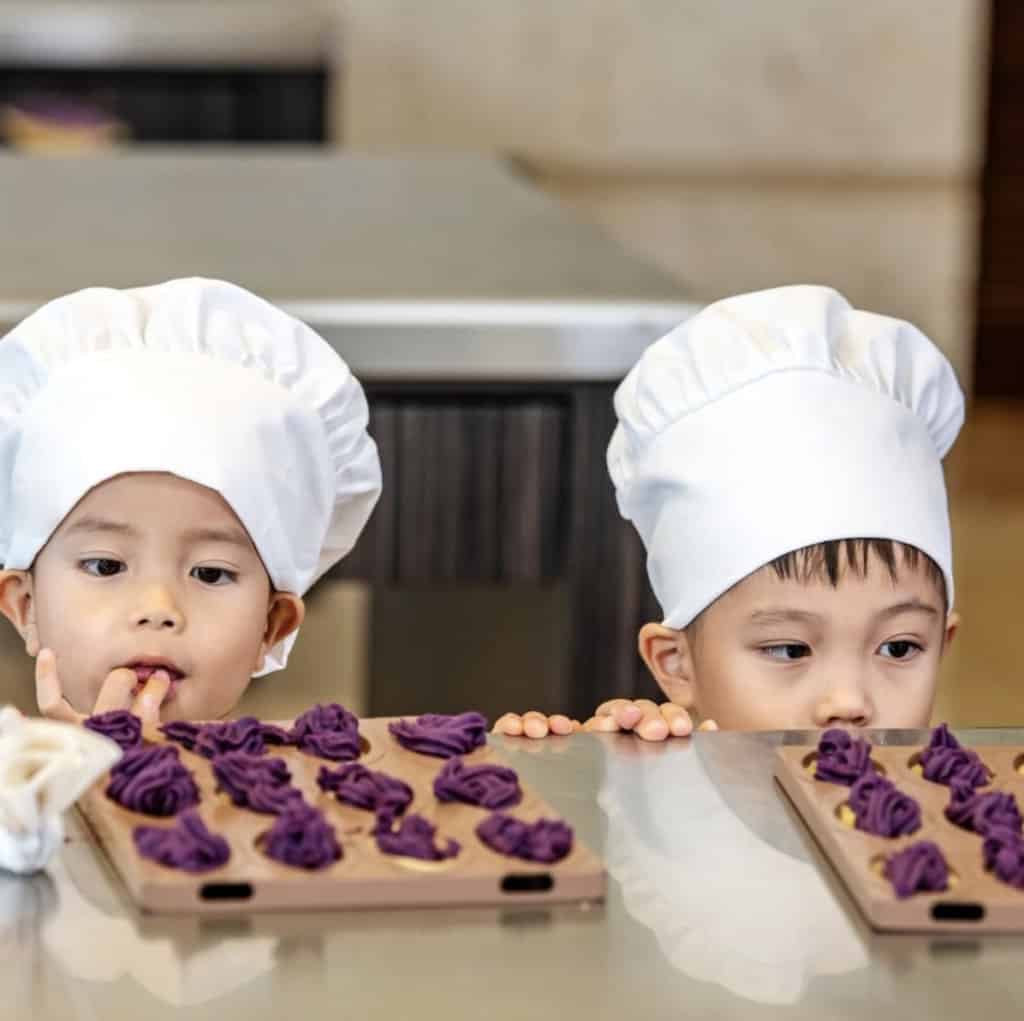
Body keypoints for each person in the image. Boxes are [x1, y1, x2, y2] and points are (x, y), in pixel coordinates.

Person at [494, 285, 963, 739]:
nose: (849, 703)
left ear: (943, 644)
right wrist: (604, 792)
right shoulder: (662, 802)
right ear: (677, 664)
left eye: (899, 648)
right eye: (790, 649)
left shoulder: (965, 813)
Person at [0, 278, 381, 724]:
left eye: (210, 573)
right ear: (25, 605)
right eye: (105, 566)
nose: (158, 608)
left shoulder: (305, 788)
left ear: (271, 626)